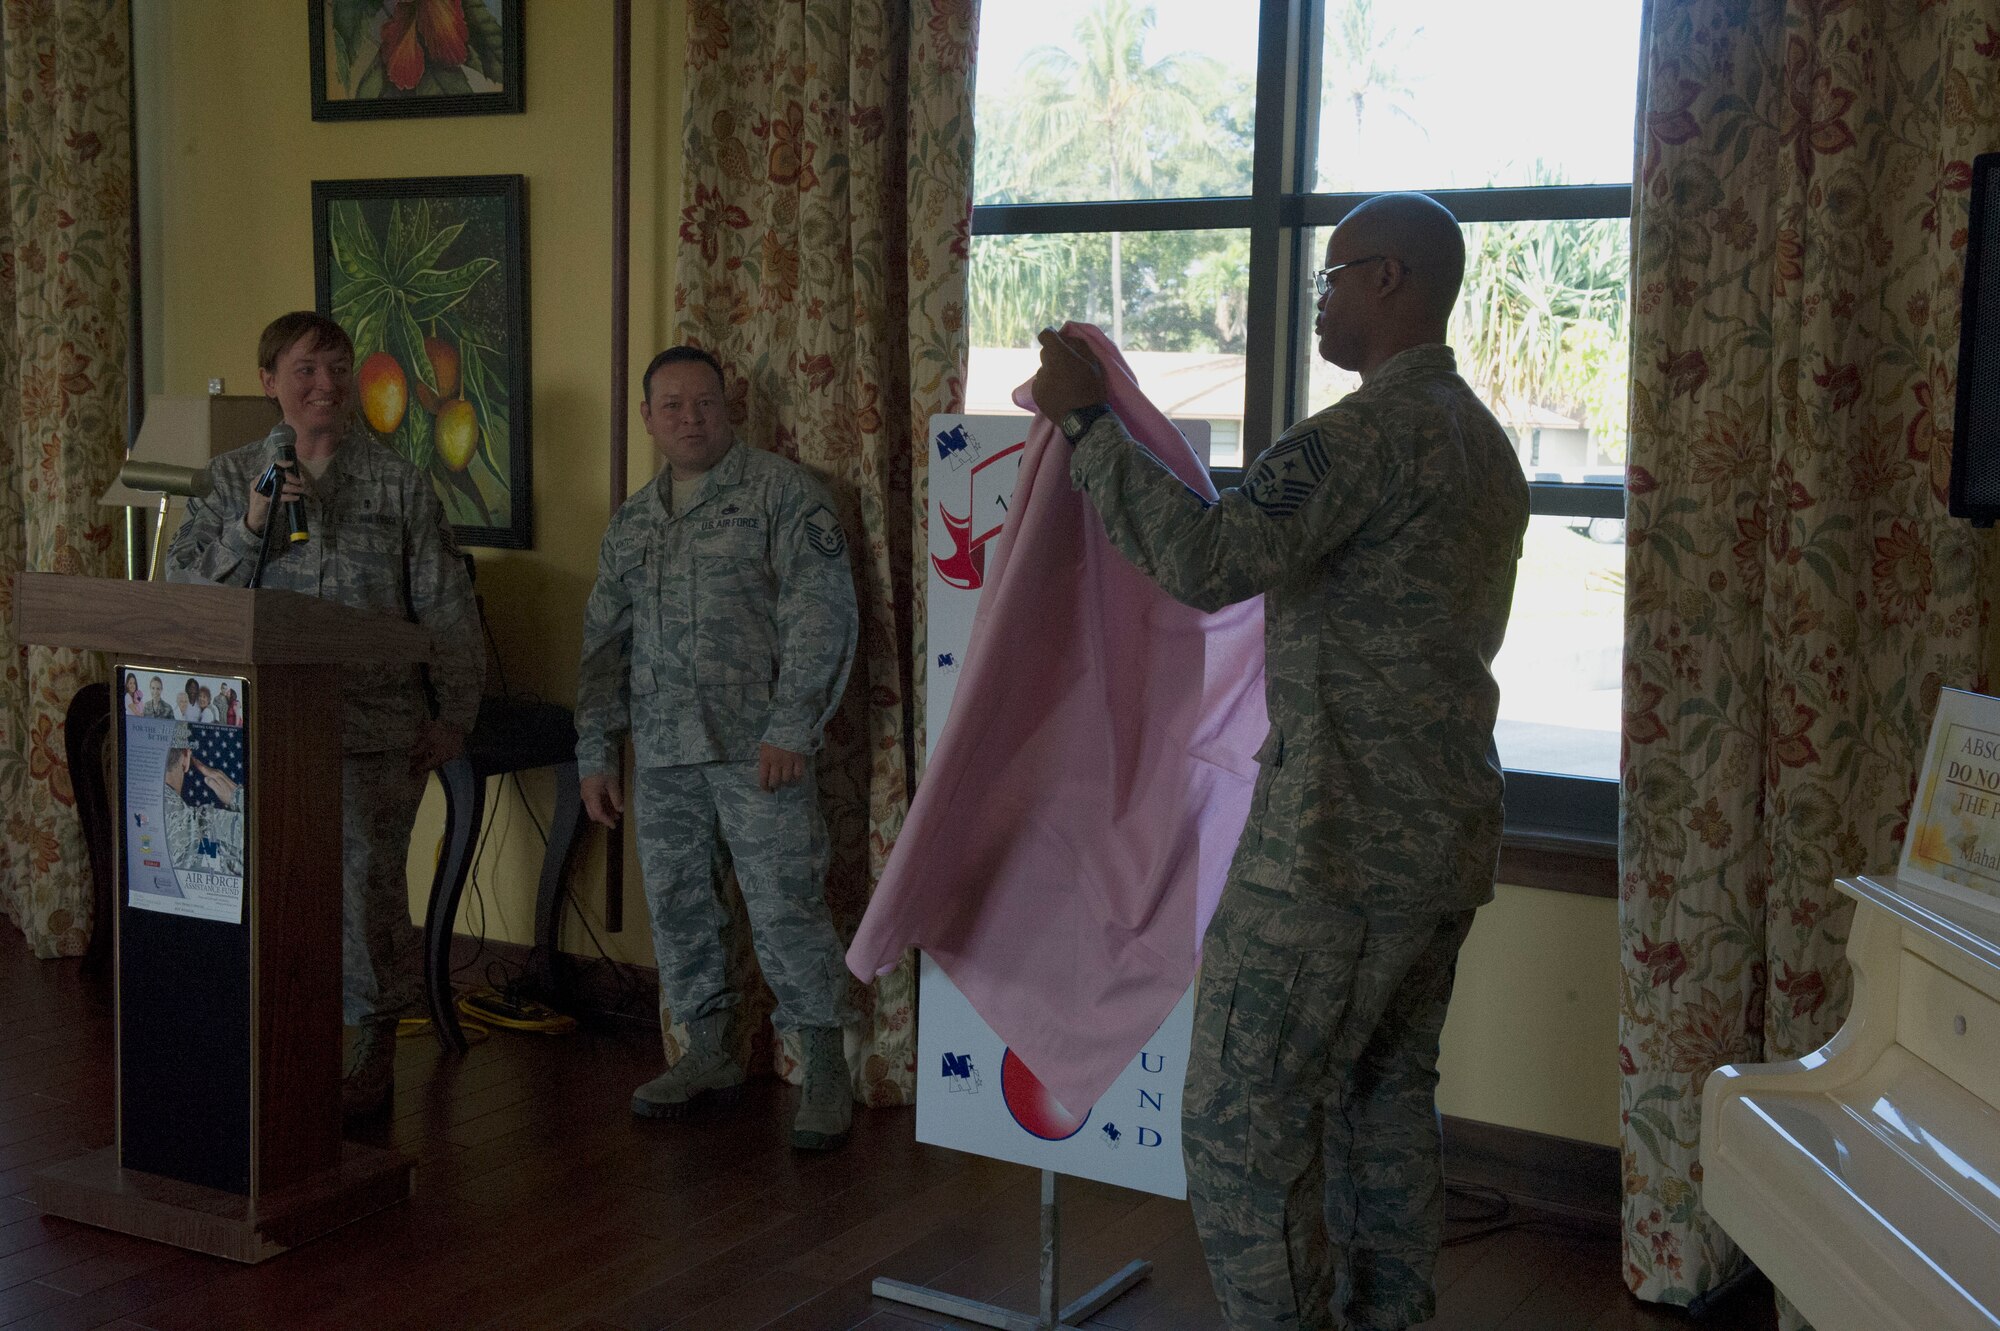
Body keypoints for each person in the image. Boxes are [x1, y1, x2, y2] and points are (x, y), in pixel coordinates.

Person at [1030, 192, 1530, 1331]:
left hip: (1333, 849)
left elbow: (1209, 558)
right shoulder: (1482, 441)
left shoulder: (1361, 436)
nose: (1322, 297)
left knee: (1239, 1125)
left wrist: (1087, 427)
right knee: (1380, 1102)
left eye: (1334, 275)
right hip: (1439, 839)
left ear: (1390, 280)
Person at [166, 310, 483, 1120]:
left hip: (366, 730)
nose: (326, 386)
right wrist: (249, 528)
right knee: (247, 892)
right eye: (306, 370)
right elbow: (183, 604)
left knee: (360, 893)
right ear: (270, 380)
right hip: (247, 733)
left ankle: (368, 1053)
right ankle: (267, 1046)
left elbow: (446, 612)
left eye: (338, 369)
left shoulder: (400, 484)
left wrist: (454, 716)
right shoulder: (230, 478)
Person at [574, 345, 860, 1150]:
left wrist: (791, 725)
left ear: (729, 407)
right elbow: (604, 647)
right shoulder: (633, 523)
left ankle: (825, 1064)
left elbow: (820, 616)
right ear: (647, 418)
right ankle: (707, 1051)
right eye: (672, 406)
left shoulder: (781, 495)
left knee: (785, 906)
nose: (690, 418)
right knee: (680, 909)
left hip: (756, 749)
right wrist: (595, 751)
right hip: (664, 755)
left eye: (704, 402)